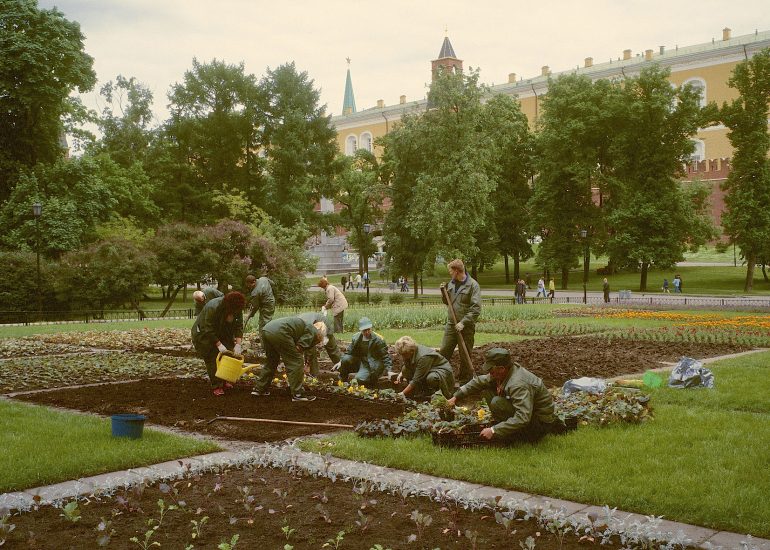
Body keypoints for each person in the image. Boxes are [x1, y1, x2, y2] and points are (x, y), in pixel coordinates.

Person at [446, 348, 567, 443]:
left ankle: (518, 436)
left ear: (502, 368)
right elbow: (479, 381)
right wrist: (455, 397)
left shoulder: (518, 384)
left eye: (491, 370)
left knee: (497, 402)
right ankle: (507, 428)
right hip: (531, 415)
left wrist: (494, 430)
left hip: (539, 424)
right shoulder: (505, 372)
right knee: (487, 390)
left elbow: (523, 417)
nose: (489, 373)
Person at [250, 315, 327, 401]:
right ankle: (298, 394)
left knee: (271, 361)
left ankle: (259, 389)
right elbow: (299, 348)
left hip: (267, 330)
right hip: (280, 331)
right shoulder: (314, 331)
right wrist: (301, 367)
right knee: (296, 361)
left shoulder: (305, 327)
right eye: (319, 340)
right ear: (320, 333)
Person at [191, 291, 245, 396]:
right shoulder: (213, 307)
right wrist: (219, 344)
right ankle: (216, 385)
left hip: (222, 331)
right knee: (212, 357)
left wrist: (238, 344)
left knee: (228, 354)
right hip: (203, 334)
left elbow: (239, 326)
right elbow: (208, 328)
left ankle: (224, 380)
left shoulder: (237, 308)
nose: (236, 312)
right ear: (229, 306)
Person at [439, 259, 481, 385]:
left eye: (450, 271)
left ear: (457, 271)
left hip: (466, 327)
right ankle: (439, 375)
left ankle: (465, 382)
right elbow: (448, 302)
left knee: (465, 355)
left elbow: (476, 308)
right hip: (451, 325)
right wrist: (443, 292)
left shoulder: (473, 285)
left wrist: (463, 322)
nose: (450, 273)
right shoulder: (451, 284)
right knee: (444, 351)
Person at [337, 317, 392, 388]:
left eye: (368, 329)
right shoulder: (356, 338)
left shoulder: (378, 340)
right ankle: (343, 380)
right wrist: (340, 361)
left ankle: (369, 382)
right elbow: (349, 352)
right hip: (361, 361)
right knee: (345, 359)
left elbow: (385, 356)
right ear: (360, 330)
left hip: (372, 363)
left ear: (371, 328)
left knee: (358, 379)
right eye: (364, 330)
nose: (367, 332)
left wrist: (389, 370)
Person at [298, 310, 341, 377]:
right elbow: (309, 350)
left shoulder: (323, 330)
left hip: (322, 322)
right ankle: (313, 375)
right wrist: (307, 364)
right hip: (310, 324)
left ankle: (343, 367)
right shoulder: (304, 330)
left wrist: (307, 364)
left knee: (332, 347)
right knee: (311, 350)